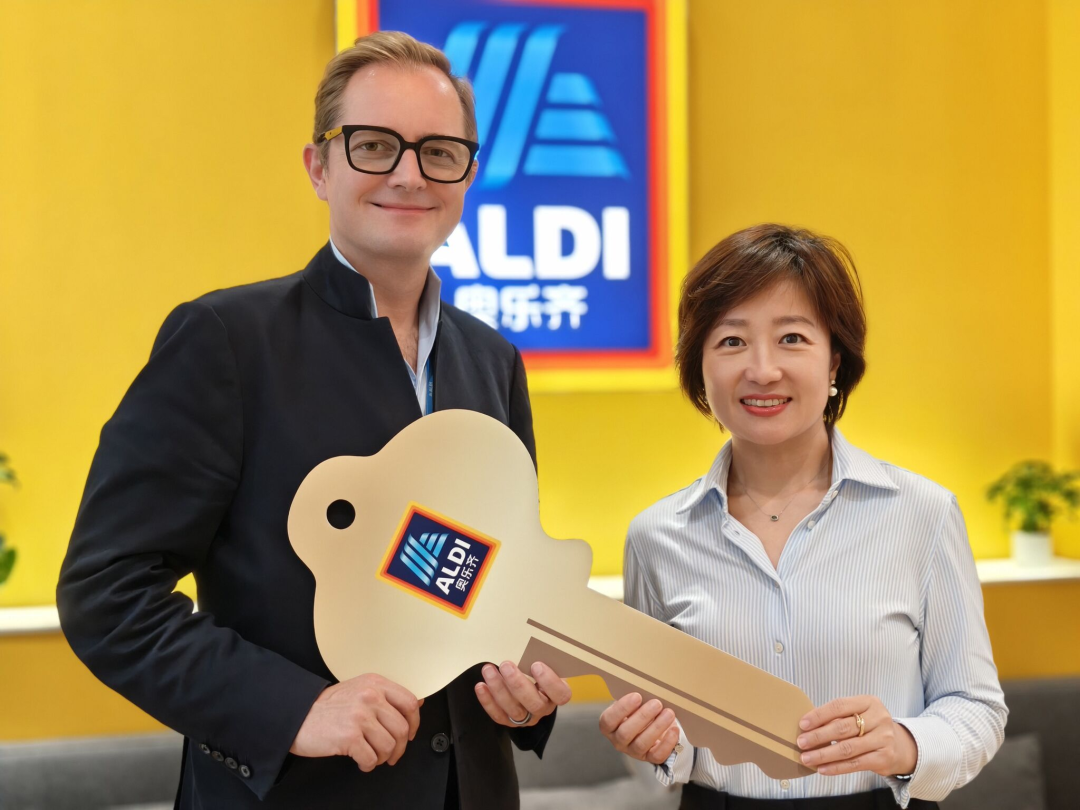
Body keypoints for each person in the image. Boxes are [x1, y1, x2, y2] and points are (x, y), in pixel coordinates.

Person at [56, 31, 570, 810]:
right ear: (319, 167)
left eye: (439, 152)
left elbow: (489, 584)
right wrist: (294, 708)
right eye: (374, 146)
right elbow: (106, 593)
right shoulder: (226, 342)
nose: (408, 174)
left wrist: (523, 692)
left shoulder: (491, 360)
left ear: (468, 174)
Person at [598, 224, 1006, 810]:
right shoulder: (656, 537)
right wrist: (653, 743)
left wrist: (904, 743)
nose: (763, 370)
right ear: (700, 368)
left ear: (835, 360)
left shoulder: (922, 513)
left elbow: (976, 708)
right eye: (731, 341)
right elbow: (661, 731)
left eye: (792, 338)